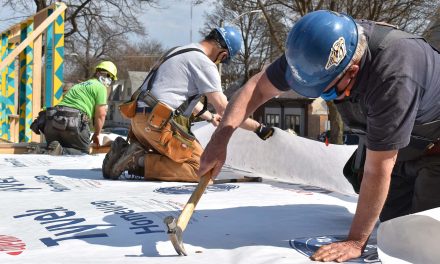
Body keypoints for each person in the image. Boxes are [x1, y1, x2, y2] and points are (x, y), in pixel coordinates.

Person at [198, 10, 440, 262]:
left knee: (422, 240)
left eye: (326, 93)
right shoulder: (315, 48)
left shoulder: (394, 75)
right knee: (394, 228)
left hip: (435, 148)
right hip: (406, 145)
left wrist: (355, 241)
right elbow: (256, 88)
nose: (322, 98)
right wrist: (220, 141)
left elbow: (378, 169)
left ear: (353, 71)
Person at [103, 26, 274, 182]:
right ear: (223, 55)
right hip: (157, 126)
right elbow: (228, 110)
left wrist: (210, 117)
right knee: (203, 168)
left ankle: (128, 151)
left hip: (139, 123)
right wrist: (258, 128)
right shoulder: (204, 63)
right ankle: (137, 162)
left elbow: (176, 99)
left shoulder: (179, 51)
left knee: (179, 156)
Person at [32, 61, 117, 155]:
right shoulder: (101, 87)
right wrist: (97, 134)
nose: (109, 80)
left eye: (112, 79)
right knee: (83, 152)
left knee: (54, 147)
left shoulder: (79, 85)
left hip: (54, 121)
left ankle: (40, 148)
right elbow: (101, 114)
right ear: (99, 73)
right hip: (73, 123)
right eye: (109, 76)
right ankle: (61, 151)